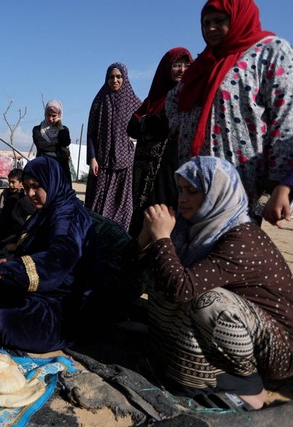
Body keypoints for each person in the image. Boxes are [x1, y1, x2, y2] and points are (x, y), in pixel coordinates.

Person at [138, 156, 293, 410]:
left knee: (207, 302)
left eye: (193, 191)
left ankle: (247, 387)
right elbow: (150, 274)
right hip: (243, 332)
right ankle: (193, 369)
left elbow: (182, 289)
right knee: (162, 274)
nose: (182, 199)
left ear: (217, 194)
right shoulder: (193, 228)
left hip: (279, 349)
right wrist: (147, 237)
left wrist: (161, 239)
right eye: (180, 190)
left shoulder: (242, 237)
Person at [0, 157, 109, 353]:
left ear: (52, 182)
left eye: (36, 186)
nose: (30, 193)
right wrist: (12, 263)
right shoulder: (49, 209)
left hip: (65, 306)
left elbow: (59, 258)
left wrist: (6, 272)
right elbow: (38, 249)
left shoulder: (69, 217)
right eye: (27, 187)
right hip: (43, 290)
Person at [165, 0, 293, 222]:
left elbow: (285, 116)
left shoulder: (270, 51)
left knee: (231, 247)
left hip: (240, 179)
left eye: (219, 21)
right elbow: (174, 98)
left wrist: (280, 184)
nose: (210, 28)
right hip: (193, 179)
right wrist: (179, 123)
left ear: (237, 19)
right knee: (190, 247)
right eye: (206, 23)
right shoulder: (205, 62)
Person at [127, 48, 193, 239]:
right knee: (143, 214)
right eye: (176, 65)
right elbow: (132, 126)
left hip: (172, 167)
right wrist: (151, 121)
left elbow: (165, 123)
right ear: (166, 69)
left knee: (165, 213)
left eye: (186, 65)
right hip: (146, 171)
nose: (182, 70)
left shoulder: (189, 96)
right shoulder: (155, 97)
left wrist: (148, 121)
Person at [85, 62, 142, 231]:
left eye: (118, 77)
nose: (115, 80)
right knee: (98, 204)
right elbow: (91, 133)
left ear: (125, 78)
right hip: (102, 163)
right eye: (111, 77)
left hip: (125, 162)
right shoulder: (99, 102)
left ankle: (119, 236)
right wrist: (93, 158)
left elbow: (143, 126)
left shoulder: (133, 102)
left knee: (123, 206)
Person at [0, 168, 35, 251]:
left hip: (18, 230)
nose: (10, 185)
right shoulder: (6, 193)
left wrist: (22, 195)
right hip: (4, 228)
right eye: (9, 182)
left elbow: (30, 210)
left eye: (13, 182)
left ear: (21, 183)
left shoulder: (27, 195)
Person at [32, 99, 72, 183]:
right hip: (44, 166)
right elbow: (41, 146)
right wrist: (58, 146)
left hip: (61, 167)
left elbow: (65, 142)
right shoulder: (37, 129)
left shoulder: (64, 129)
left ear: (59, 115)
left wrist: (60, 126)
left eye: (54, 116)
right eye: (48, 115)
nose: (50, 119)